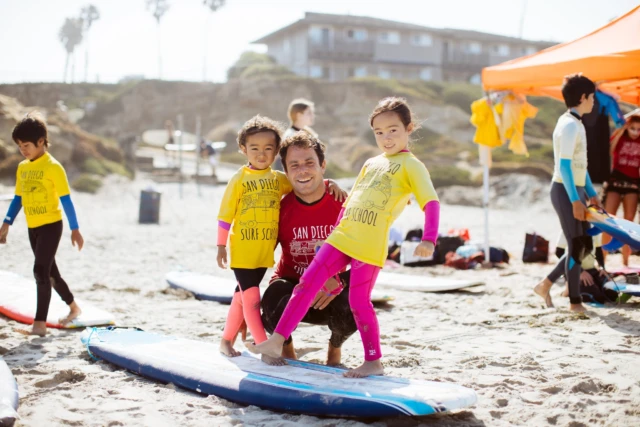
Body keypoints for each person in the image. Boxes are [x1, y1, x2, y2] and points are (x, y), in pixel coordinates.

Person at [250, 97, 440, 378]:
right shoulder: (371, 163)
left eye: (393, 130)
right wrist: (337, 229)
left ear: (408, 128)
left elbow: (431, 201)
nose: (386, 138)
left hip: (369, 244)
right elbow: (351, 203)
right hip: (341, 237)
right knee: (305, 285)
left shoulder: (413, 166)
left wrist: (429, 239)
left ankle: (373, 360)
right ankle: (278, 340)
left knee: (359, 303)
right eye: (379, 132)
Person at [216, 116, 346, 363]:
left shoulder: (278, 180)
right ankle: (266, 346)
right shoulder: (239, 179)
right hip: (244, 250)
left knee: (241, 294)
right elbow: (225, 216)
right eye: (254, 148)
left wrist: (331, 183)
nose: (261, 153)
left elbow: (307, 180)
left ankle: (225, 340)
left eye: (268, 148)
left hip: (264, 253)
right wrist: (221, 245)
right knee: (252, 297)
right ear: (243, 149)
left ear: (276, 152)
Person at [261, 131, 357, 366]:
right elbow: (257, 257)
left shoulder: (344, 204)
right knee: (272, 295)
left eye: (309, 163)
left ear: (323, 165)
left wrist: (340, 281)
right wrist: (242, 298)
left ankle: (334, 351)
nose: (302, 170)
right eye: (294, 165)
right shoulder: (279, 210)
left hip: (329, 293)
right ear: (286, 171)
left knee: (355, 301)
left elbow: (367, 259)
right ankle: (288, 350)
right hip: (293, 292)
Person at [0, 112, 84, 337]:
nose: (22, 150)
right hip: (33, 227)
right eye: (19, 146)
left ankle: (39, 325)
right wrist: (6, 222)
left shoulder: (53, 167)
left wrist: (75, 229)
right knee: (50, 272)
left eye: (26, 145)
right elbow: (18, 198)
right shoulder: (23, 168)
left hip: (50, 226)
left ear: (41, 142)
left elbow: (66, 200)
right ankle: (74, 308)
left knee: (40, 270)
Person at [534, 74, 597, 313]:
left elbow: (581, 165)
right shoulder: (569, 125)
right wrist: (575, 200)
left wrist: (591, 193)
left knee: (580, 245)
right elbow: (565, 166)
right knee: (576, 244)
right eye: (592, 97)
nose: (594, 101)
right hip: (564, 190)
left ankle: (546, 284)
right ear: (583, 97)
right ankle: (575, 302)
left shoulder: (575, 122)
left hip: (575, 189)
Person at [602, 115, 640, 265]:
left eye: (639, 129)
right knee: (606, 221)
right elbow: (610, 149)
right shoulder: (620, 138)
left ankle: (625, 261)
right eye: (633, 128)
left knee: (628, 223)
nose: (636, 132)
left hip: (633, 183)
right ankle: (603, 259)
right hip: (616, 180)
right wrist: (622, 127)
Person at [273, 99, 317, 171]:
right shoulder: (290, 135)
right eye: (309, 113)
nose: (312, 116)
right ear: (299, 115)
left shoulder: (308, 132)